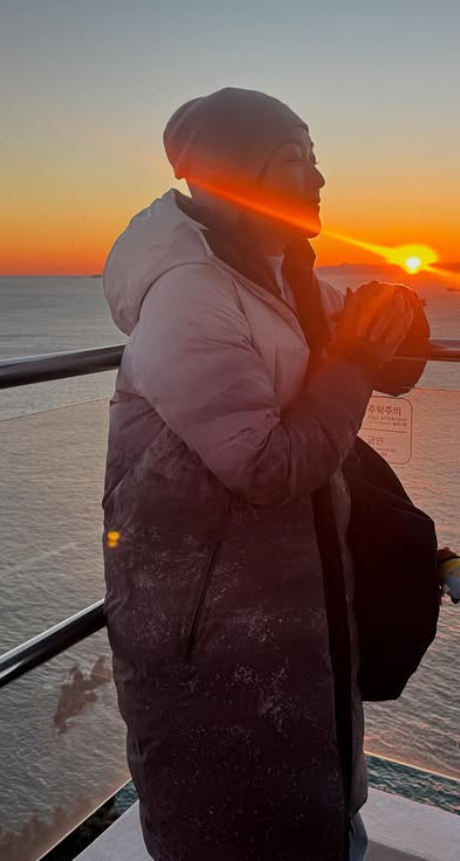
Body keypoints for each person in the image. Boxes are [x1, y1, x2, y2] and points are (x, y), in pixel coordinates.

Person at [101, 87, 425, 861]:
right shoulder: (192, 293)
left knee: (312, 805)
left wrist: (394, 317)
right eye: (293, 160)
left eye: (315, 158)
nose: (317, 177)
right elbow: (266, 465)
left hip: (293, 608)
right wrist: (352, 358)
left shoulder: (285, 276)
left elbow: (384, 359)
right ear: (235, 175)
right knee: (232, 817)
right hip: (211, 626)